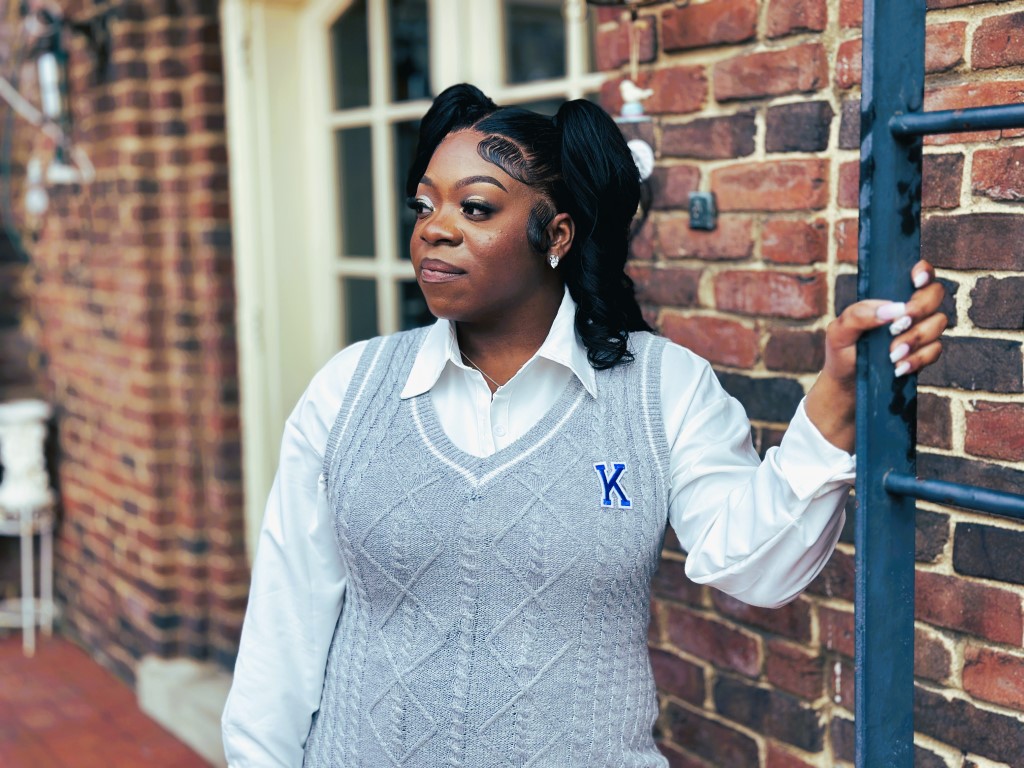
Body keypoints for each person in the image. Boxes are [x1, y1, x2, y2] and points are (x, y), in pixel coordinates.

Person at [221, 84, 947, 767]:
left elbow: (756, 566)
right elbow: (285, 626)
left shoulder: (662, 390)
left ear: (557, 233)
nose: (434, 230)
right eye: (423, 206)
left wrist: (837, 399)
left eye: (474, 208)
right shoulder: (350, 389)